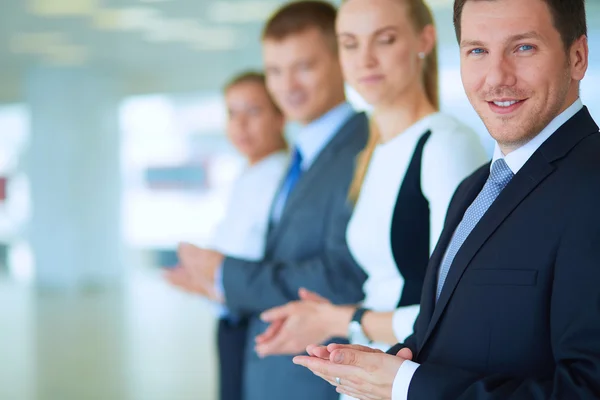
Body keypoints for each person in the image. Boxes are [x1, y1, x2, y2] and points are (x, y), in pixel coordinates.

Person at [293, 0, 600, 399]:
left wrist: (405, 384)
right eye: (477, 50)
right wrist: (377, 366)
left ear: (577, 57)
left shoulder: (592, 186)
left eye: (523, 47)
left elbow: (587, 389)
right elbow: (441, 333)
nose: (496, 77)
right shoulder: (475, 189)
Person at [254, 0, 487, 385]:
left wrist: (339, 319)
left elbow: (460, 312)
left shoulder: (444, 145)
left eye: (385, 40)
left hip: (414, 379)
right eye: (349, 44)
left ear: (424, 40)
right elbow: (388, 288)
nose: (365, 60)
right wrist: (326, 315)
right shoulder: (374, 151)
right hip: (370, 377)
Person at [171, 2, 370, 400]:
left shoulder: (364, 150)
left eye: (304, 67)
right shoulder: (302, 156)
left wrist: (225, 276)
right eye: (276, 71)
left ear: (341, 59)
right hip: (272, 368)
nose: (287, 86)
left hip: (314, 377)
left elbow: (344, 275)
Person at [165, 71, 288, 400]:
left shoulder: (280, 175)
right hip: (231, 317)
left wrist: (209, 280)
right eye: (232, 114)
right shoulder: (248, 172)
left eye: (254, 112)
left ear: (280, 114)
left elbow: (257, 261)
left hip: (254, 321)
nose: (240, 125)